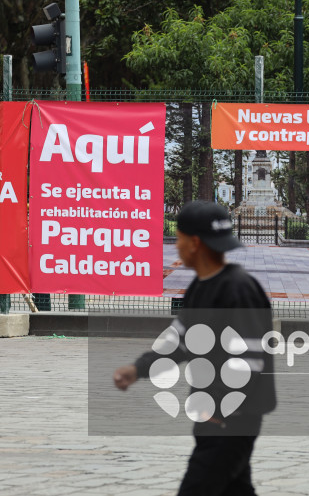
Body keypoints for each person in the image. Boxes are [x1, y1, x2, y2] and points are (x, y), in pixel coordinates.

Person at [113, 201, 276, 496]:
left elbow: (249, 359)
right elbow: (179, 341)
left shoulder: (239, 288)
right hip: (214, 414)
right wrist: (138, 368)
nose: (176, 245)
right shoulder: (201, 287)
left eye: (178, 238)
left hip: (232, 418)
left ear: (195, 243)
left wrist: (219, 406)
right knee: (234, 488)